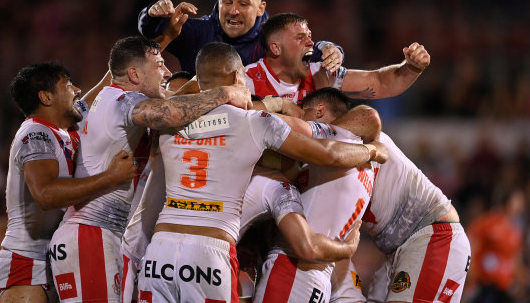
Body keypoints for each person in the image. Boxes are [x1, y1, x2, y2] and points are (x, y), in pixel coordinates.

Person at [136, 42, 385, 302]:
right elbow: (329, 154)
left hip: (159, 251)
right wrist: (372, 151)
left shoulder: (168, 121)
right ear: (236, 77)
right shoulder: (255, 124)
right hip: (210, 252)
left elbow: (170, 103)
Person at [48, 36, 252, 302]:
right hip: (92, 234)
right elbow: (169, 113)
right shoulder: (124, 101)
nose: (166, 72)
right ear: (134, 74)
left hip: (85, 234)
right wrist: (226, 92)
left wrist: (193, 85)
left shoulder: (106, 100)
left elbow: (170, 103)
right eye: (159, 65)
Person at [0, 62, 138, 303]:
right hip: (26, 267)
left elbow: (107, 84)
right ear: (47, 97)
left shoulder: (66, 128)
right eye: (68, 85)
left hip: (56, 257)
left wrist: (156, 44)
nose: (77, 89)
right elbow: (46, 194)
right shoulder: (35, 134)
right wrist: (110, 177)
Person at [309, 97, 471, 303]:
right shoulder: (322, 171)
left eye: (304, 113)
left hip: (433, 237)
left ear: (320, 112)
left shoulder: (359, 137)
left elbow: (368, 116)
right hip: (394, 252)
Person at [252, 88, 384, 303]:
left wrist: (279, 106)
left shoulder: (342, 138)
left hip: (295, 267)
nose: (299, 116)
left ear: (320, 112)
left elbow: (265, 122)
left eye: (303, 112)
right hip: (314, 272)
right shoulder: (355, 157)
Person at [138, 0, 344, 74]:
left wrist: (331, 48)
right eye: (227, 2)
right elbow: (150, 30)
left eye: (243, 3)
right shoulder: (197, 32)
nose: (234, 11)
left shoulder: (276, 40)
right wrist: (151, 13)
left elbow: (316, 52)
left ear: (260, 8)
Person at [245, 13, 430, 104]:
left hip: (312, 168)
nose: (311, 43)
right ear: (276, 48)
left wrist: (411, 67)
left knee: (373, 127)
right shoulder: (248, 79)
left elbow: (380, 83)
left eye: (309, 36)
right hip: (264, 174)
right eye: (300, 38)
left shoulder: (319, 72)